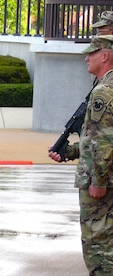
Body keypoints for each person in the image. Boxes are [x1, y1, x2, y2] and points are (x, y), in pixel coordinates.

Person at [48, 35, 113, 275]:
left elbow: (104, 141)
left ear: (104, 56)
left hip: (102, 182)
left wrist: (98, 181)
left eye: (91, 54)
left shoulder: (103, 92)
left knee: (99, 247)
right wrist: (71, 152)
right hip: (105, 174)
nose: (86, 58)